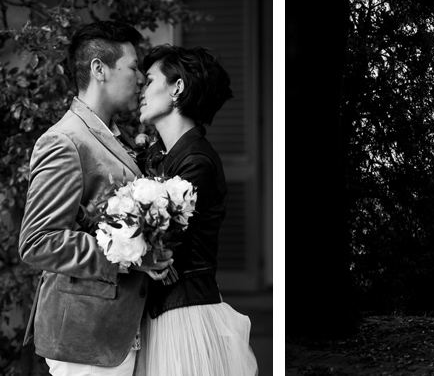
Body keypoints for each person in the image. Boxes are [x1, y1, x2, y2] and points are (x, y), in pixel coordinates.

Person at [18, 20, 174, 375]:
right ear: (99, 69)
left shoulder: (120, 136)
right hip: (84, 336)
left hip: (118, 330)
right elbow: (38, 241)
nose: (141, 79)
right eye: (133, 68)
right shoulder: (63, 141)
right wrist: (132, 256)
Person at [133, 44, 258, 376]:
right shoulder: (164, 157)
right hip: (160, 314)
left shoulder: (196, 162)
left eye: (148, 81)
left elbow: (162, 246)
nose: (140, 92)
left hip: (182, 318)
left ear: (177, 87)